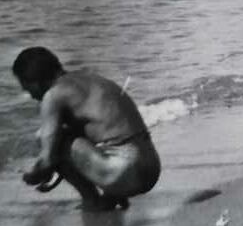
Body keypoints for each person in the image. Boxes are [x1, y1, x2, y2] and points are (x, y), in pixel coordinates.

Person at [13, 46, 160, 210]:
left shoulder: (53, 95)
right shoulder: (92, 80)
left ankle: (91, 199)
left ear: (35, 81)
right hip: (151, 168)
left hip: (122, 172)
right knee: (87, 136)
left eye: (27, 88)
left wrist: (33, 175)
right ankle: (112, 196)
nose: (31, 95)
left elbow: (48, 160)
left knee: (43, 136)